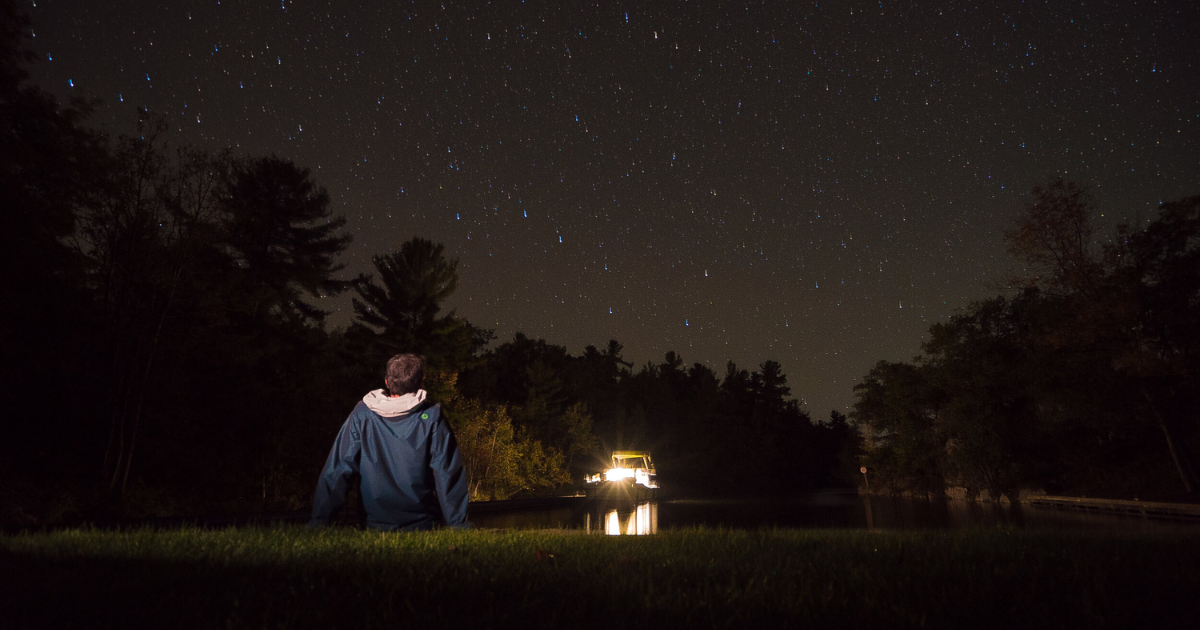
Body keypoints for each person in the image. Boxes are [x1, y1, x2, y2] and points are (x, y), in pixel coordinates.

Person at [310, 354, 469, 530]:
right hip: (422, 525)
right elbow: (447, 472)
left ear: (386, 382)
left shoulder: (362, 414)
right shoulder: (431, 417)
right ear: (420, 384)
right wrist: (458, 524)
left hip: (373, 525)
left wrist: (319, 521)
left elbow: (338, 468)